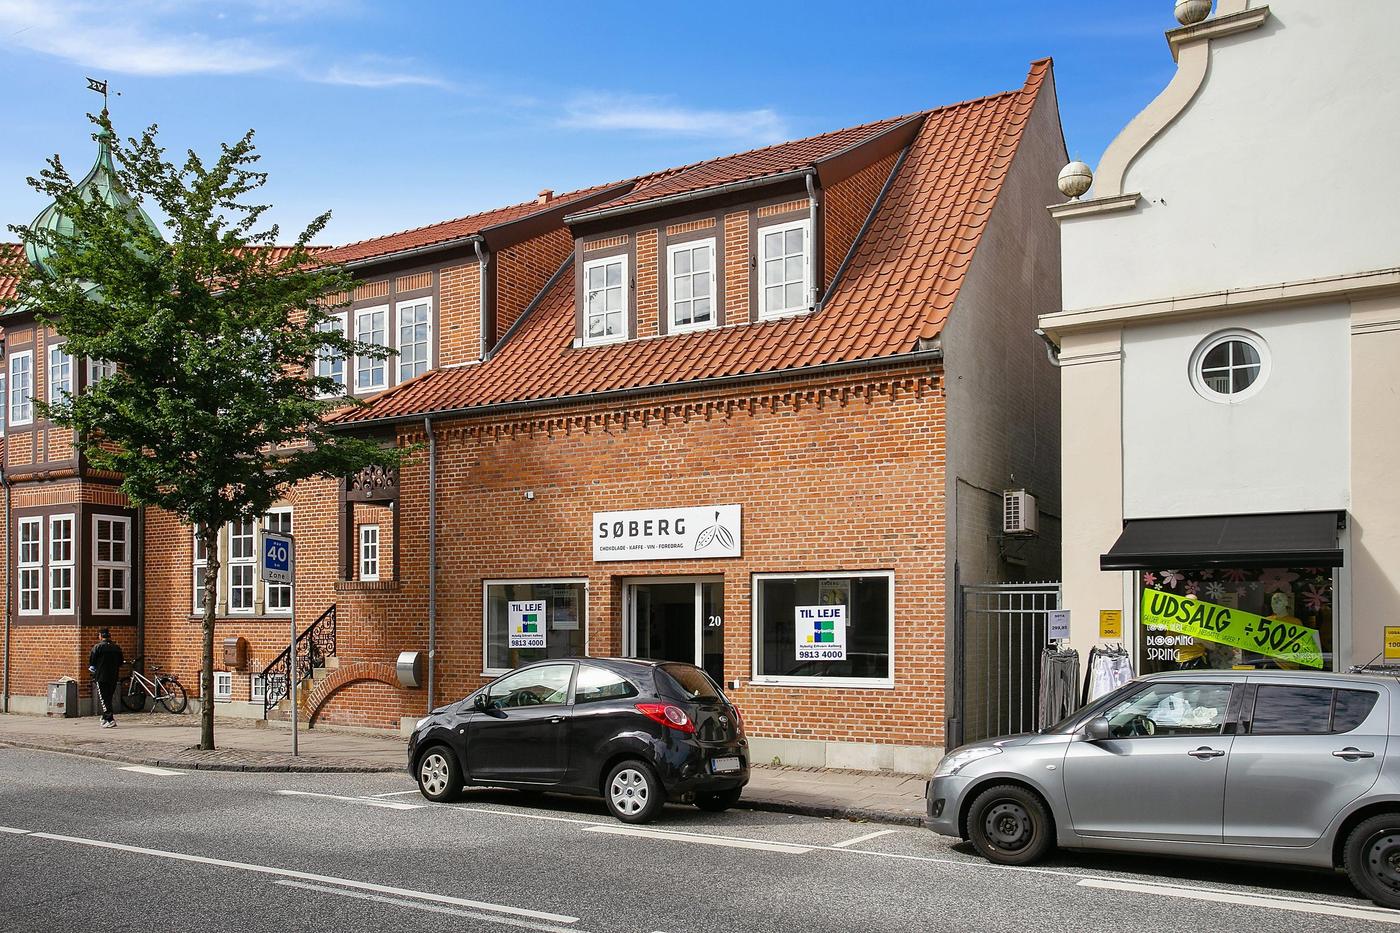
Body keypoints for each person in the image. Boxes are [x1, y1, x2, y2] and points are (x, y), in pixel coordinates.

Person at [88, 628, 124, 728]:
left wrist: (94, 670)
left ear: (100, 636)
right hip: (113, 676)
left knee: (104, 698)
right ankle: (104, 717)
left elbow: (92, 663)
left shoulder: (98, 647)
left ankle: (110, 719)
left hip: (101, 676)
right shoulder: (116, 647)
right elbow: (120, 662)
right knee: (109, 697)